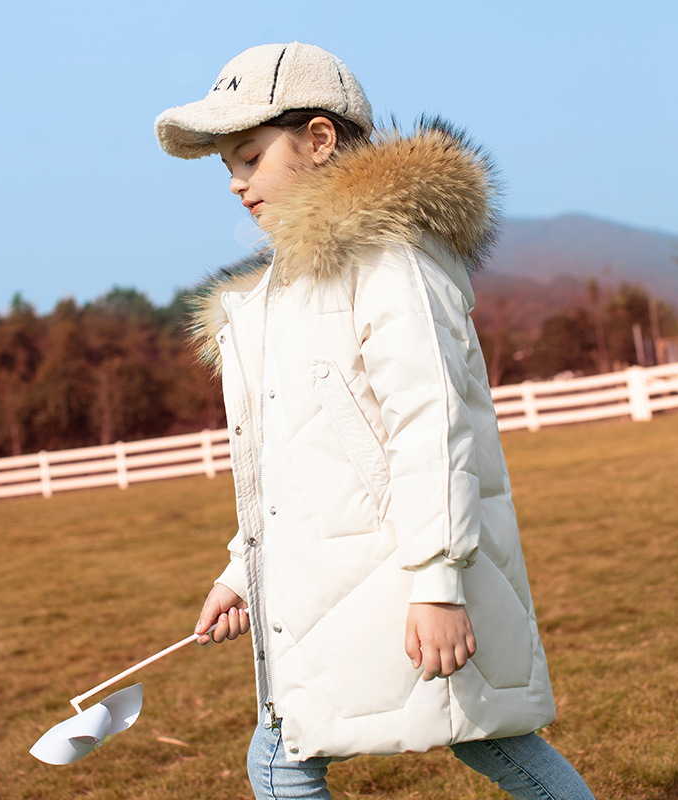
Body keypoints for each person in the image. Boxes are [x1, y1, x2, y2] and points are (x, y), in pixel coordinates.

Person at [155, 42, 595, 800]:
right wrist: (241, 575)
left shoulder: (390, 262)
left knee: (309, 757)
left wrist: (439, 587)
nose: (235, 182)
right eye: (226, 166)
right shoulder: (289, 292)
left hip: (409, 577)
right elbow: (298, 460)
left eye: (251, 157)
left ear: (320, 139)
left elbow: (432, 425)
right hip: (344, 584)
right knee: (455, 744)